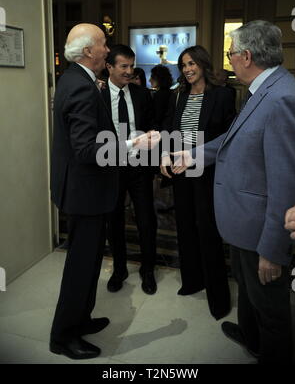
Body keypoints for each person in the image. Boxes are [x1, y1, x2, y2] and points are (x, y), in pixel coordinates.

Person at [170, 20, 295, 364]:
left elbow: (287, 184)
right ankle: (249, 335)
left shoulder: (282, 98)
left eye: (230, 54)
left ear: (245, 55)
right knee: (247, 290)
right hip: (244, 226)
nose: (228, 60)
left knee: (269, 307)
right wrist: (192, 155)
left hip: (262, 231)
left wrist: (273, 249)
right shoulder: (264, 89)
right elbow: (233, 141)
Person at [50, 25, 159, 360]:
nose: (106, 48)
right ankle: (63, 336)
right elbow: (86, 149)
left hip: (86, 190)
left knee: (91, 262)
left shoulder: (76, 79)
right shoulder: (83, 87)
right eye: (103, 43)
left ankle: (80, 320)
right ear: (88, 52)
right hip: (86, 192)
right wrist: (132, 143)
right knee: (81, 268)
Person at [160, 46, 236, 320]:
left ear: (203, 64)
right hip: (181, 170)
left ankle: (218, 298)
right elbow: (169, 127)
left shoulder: (223, 95)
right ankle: (192, 281)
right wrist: (165, 155)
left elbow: (228, 136)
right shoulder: (178, 94)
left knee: (207, 230)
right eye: (183, 65)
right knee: (185, 226)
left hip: (206, 171)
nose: (187, 69)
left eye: (191, 63)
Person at [103, 44, 158, 295]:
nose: (129, 71)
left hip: (139, 166)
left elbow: (151, 126)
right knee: (113, 221)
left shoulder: (141, 94)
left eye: (131, 66)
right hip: (111, 167)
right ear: (109, 67)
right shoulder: (98, 96)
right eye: (123, 66)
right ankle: (120, 269)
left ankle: (148, 270)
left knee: (146, 220)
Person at [150, 64, 173, 131]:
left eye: (152, 77)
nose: (150, 80)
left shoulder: (159, 95)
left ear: (159, 78)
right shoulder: (171, 93)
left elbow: (158, 118)